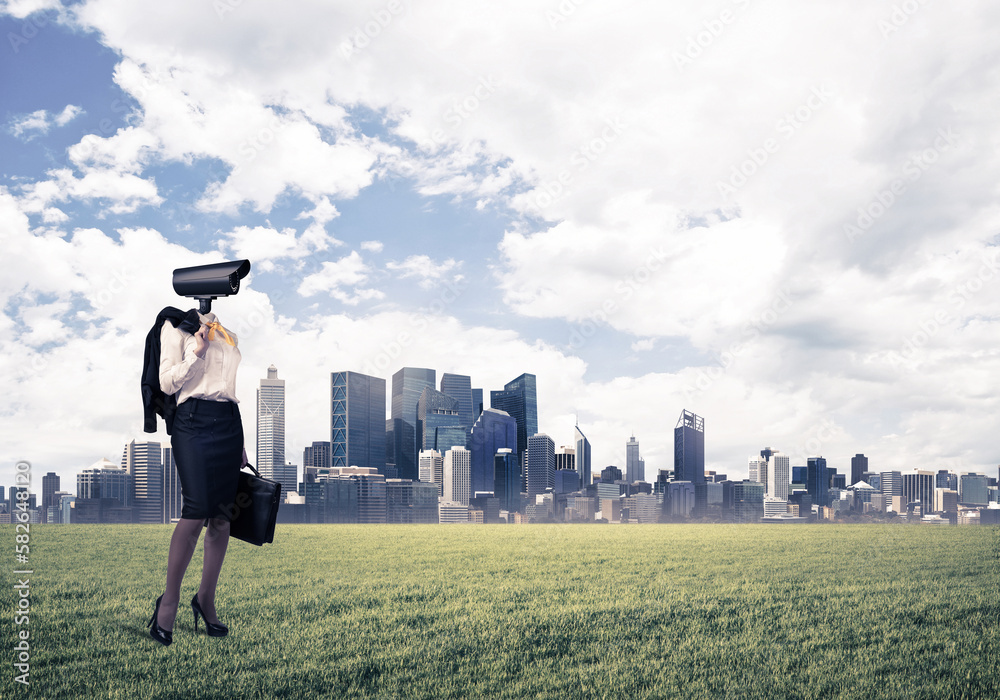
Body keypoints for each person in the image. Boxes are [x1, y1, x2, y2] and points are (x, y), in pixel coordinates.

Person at [147, 309, 245, 646]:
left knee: (222, 518)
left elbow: (227, 387)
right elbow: (166, 383)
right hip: (193, 421)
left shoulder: (227, 332)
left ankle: (205, 600)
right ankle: (168, 604)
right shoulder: (176, 328)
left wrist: (241, 444)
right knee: (196, 511)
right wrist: (197, 352)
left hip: (230, 422)